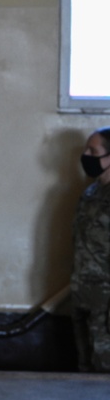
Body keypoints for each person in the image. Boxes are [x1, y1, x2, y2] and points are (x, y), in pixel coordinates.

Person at [71, 126, 110, 372]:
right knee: (85, 370)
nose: (86, 156)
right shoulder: (90, 192)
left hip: (106, 302)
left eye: (92, 151)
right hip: (83, 294)